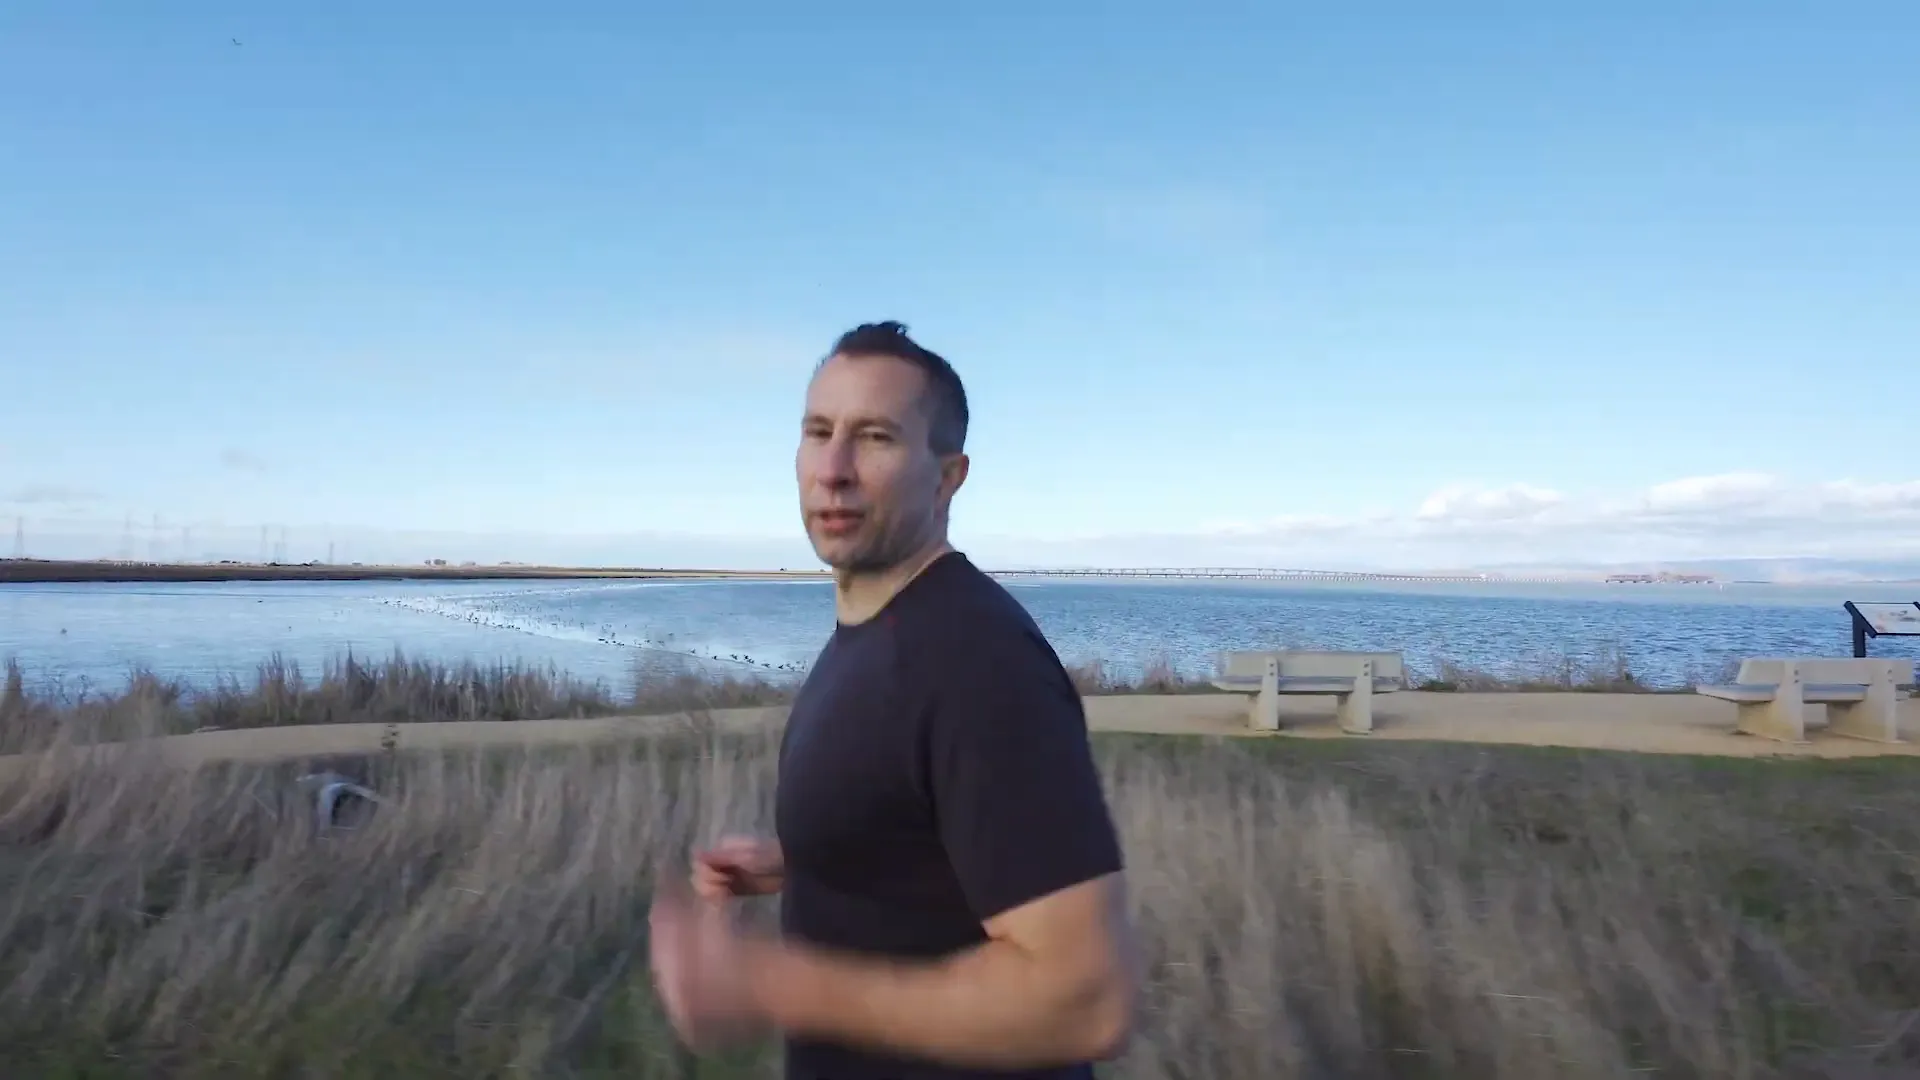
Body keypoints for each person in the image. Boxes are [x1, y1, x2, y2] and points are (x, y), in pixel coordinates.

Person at [648, 321, 1141, 1079]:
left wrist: (768, 982)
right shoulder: (873, 634)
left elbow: (1084, 1001)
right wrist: (817, 860)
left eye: (875, 437)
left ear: (948, 477)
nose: (834, 468)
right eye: (819, 432)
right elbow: (938, 837)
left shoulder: (976, 659)